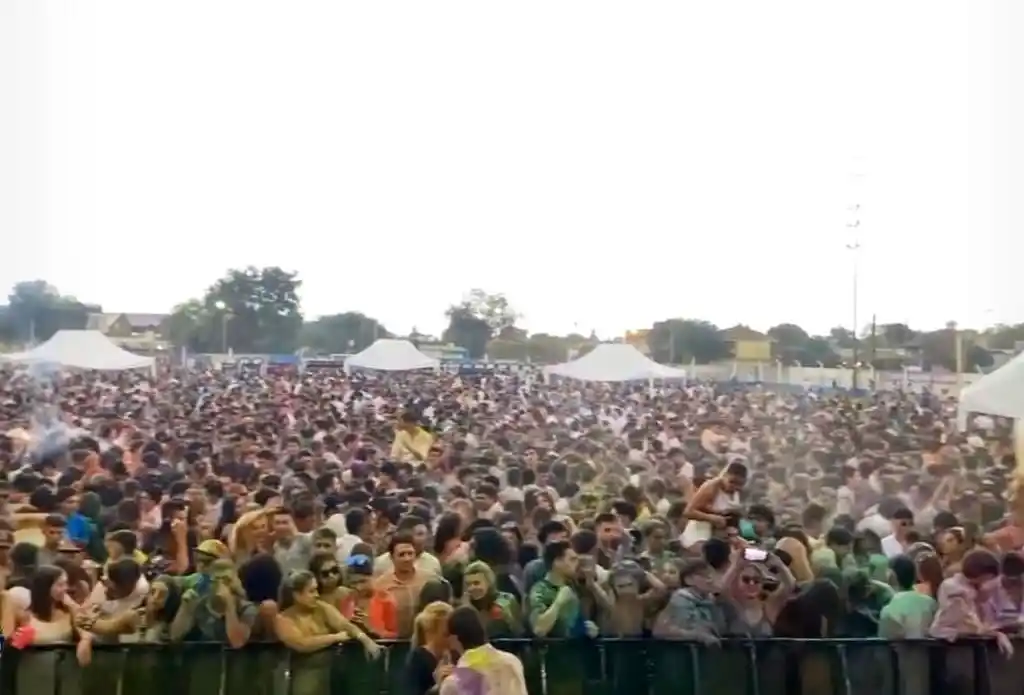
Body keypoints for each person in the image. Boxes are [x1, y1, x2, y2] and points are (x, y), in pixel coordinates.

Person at [440, 605, 528, 695]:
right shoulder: (513, 662)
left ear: (454, 638)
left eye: (446, 635)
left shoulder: (453, 684)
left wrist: (440, 685)